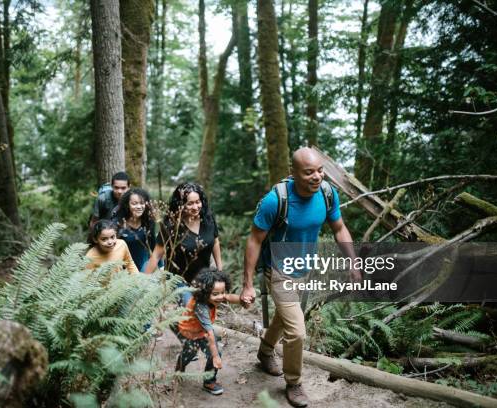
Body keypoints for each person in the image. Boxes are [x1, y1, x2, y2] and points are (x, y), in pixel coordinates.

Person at [240, 147, 361, 408]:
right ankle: (294, 383)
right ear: (293, 172)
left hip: (305, 267)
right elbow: (254, 240)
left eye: (320, 171)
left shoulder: (328, 194)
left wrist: (353, 261)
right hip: (279, 270)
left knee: (284, 319)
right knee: (297, 331)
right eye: (309, 172)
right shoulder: (276, 200)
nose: (317, 177)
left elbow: (339, 228)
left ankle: (264, 351)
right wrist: (247, 283)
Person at [145, 182, 223, 305]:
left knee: (204, 314)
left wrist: (219, 271)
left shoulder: (208, 219)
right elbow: (156, 255)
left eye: (198, 202)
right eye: (190, 203)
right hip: (178, 280)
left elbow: (215, 242)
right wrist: (142, 282)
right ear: (180, 204)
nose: (195, 207)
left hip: (203, 279)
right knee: (189, 308)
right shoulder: (171, 225)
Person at [174, 267, 241, 395]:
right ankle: (179, 367)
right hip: (190, 334)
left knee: (215, 352)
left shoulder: (216, 296)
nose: (220, 297)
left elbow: (228, 297)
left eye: (222, 292)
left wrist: (242, 300)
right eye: (215, 294)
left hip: (202, 332)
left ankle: (209, 381)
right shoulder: (201, 306)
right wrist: (215, 357)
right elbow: (210, 333)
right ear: (205, 293)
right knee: (190, 355)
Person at [113, 188, 161, 272]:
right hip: (124, 269)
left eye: (142, 203)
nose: (139, 207)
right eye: (134, 204)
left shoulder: (149, 221)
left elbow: (154, 245)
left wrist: (161, 266)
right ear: (127, 204)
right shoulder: (118, 223)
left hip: (145, 267)